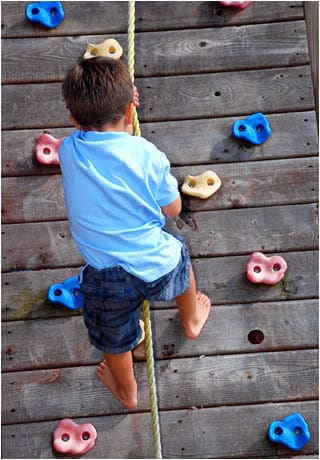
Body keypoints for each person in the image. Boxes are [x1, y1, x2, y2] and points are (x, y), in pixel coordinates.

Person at [59, 56, 211, 409]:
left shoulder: (69, 150)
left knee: (112, 339)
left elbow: (89, 129)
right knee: (179, 254)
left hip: (105, 279)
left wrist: (119, 111)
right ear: (132, 108)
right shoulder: (148, 155)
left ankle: (127, 391)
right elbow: (172, 210)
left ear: (73, 120)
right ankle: (190, 319)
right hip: (157, 266)